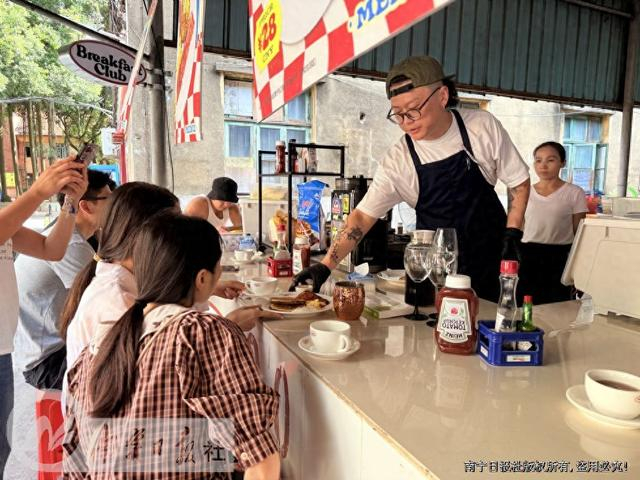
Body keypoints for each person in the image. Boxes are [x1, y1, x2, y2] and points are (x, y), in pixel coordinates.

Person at [292, 56, 531, 301]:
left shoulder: (480, 127)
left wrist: (513, 233)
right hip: (435, 276)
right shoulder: (399, 160)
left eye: (414, 110)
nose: (406, 122)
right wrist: (326, 265)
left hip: (494, 262)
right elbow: (362, 217)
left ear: (442, 96)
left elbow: (519, 182)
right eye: (398, 114)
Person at [63, 212, 280, 479]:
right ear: (202, 279)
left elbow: (74, 461)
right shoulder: (201, 332)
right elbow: (261, 462)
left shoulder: (103, 341)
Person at [61, 182, 278, 373]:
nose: (182, 238)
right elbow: (160, 371)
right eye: (175, 228)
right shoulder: (117, 300)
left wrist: (208, 288)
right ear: (148, 236)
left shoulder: (125, 278)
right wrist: (229, 327)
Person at [0, 156, 87, 478]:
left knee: (1, 450)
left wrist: (70, 203)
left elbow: (52, 249)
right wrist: (39, 191)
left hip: (3, 351)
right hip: (19, 353)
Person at [15, 169, 113, 389]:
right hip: (49, 360)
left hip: (55, 348)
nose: (116, 207)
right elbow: (103, 303)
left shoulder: (83, 238)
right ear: (85, 206)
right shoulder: (72, 243)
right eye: (109, 200)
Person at [519, 142, 588, 304]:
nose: (543, 165)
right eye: (538, 160)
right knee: (527, 304)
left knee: (558, 305)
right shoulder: (525, 192)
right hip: (528, 256)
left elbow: (580, 234)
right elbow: (519, 226)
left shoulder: (574, 193)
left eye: (550, 160)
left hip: (560, 258)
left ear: (562, 163)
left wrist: (578, 268)